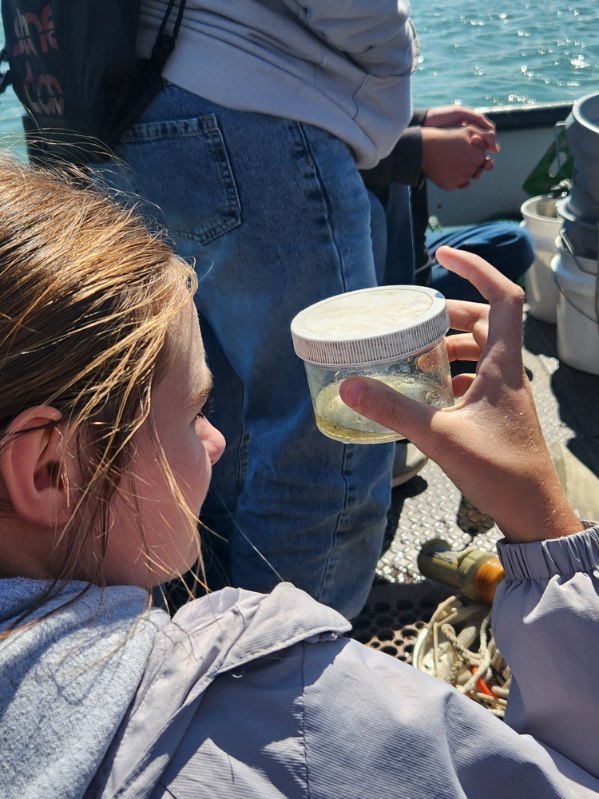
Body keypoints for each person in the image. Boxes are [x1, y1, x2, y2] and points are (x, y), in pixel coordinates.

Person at [1, 156, 598, 799]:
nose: (217, 440)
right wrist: (543, 523)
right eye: (196, 413)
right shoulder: (303, 706)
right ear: (51, 470)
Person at [86, 1, 416, 620]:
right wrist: (390, 69)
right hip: (249, 110)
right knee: (331, 430)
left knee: (200, 413)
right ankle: (285, 667)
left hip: (109, 111)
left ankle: (208, 641)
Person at [363, 105, 535, 302]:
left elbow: (349, 121)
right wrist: (420, 150)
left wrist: (421, 122)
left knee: (514, 241)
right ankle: (413, 307)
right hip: (379, 285)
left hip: (414, 248)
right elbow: (332, 155)